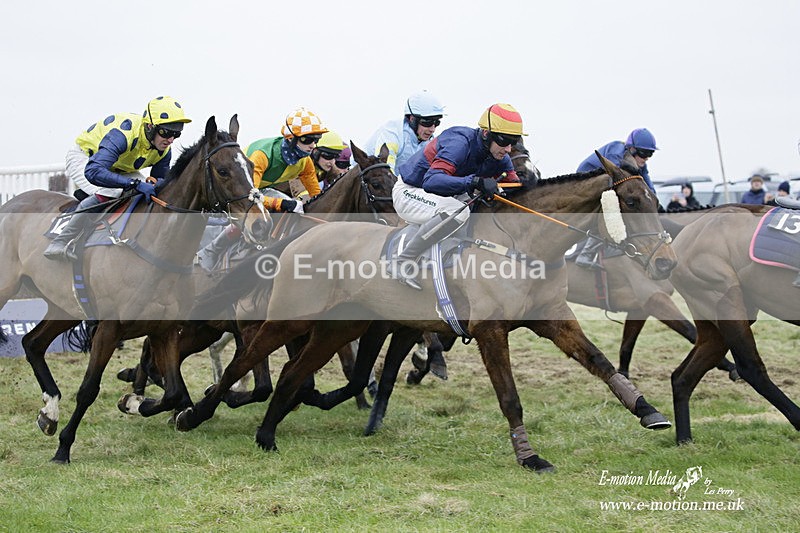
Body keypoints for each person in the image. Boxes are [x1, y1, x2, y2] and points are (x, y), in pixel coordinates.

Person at [391, 103, 524, 290]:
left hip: (443, 197)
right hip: (410, 191)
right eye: (504, 141)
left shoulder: (501, 157)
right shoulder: (459, 143)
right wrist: (474, 182)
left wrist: (528, 184)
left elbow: (514, 188)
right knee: (457, 211)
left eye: (514, 142)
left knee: (477, 206)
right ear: (486, 134)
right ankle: (402, 260)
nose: (508, 149)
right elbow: (431, 181)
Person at [44, 96, 191, 261]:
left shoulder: (164, 149)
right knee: (113, 190)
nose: (170, 140)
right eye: (166, 132)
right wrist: (133, 183)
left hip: (118, 166)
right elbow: (94, 171)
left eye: (176, 134)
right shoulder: (123, 135)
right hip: (86, 159)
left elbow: (161, 183)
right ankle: (61, 240)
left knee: (144, 193)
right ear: (150, 127)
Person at [197, 107, 328, 269]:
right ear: (291, 138)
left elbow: (317, 195)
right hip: (243, 190)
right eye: (307, 140)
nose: (312, 146)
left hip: (259, 191)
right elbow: (251, 196)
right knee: (282, 199)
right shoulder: (262, 156)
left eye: (316, 140)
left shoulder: (305, 162)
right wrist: (283, 204)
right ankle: (211, 250)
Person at [574, 128, 659, 269]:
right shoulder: (616, 152)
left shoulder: (640, 163)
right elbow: (616, 177)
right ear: (631, 149)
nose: (646, 158)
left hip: (603, 181)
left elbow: (649, 188)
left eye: (650, 154)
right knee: (612, 215)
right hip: (587, 179)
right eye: (644, 154)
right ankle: (586, 254)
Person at [364, 91, 445, 173]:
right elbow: (386, 172)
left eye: (436, 123)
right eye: (427, 122)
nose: (432, 129)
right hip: (363, 177)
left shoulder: (430, 142)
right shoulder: (393, 133)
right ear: (412, 119)